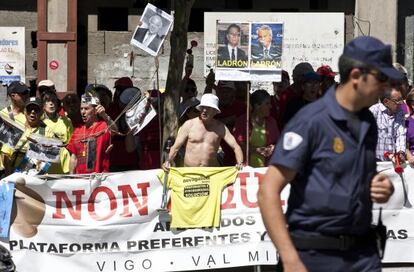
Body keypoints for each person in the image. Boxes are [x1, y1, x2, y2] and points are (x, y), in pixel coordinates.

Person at [258, 36, 401, 272]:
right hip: (314, 256)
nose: (387, 87)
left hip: (363, 255)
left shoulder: (368, 122)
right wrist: (290, 260)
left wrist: (378, 185)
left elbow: (354, 178)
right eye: (381, 78)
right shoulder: (310, 122)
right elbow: (267, 192)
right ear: (356, 76)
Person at [162, 93, 243, 169]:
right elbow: (175, 147)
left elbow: (236, 147)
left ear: (215, 111)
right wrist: (168, 161)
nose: (204, 110)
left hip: (211, 173)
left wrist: (240, 163)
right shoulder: (189, 125)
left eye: (208, 108)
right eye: (203, 107)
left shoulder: (220, 127)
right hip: (190, 174)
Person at [233, 89, 280, 167]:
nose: (270, 106)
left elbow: (278, 142)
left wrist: (273, 147)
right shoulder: (243, 121)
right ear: (257, 105)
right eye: (267, 104)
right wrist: (256, 150)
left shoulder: (272, 122)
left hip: (267, 169)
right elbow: (238, 145)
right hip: (248, 170)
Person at [66, 94, 111, 174]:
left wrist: (104, 115)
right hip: (80, 180)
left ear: (95, 110)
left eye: (86, 109)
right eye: (81, 109)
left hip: (99, 179)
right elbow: (73, 158)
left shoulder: (103, 126)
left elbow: (115, 130)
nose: (83, 112)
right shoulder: (77, 130)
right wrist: (71, 178)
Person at [369, 85, 406, 161]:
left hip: (392, 160)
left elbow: (401, 134)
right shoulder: (374, 110)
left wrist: (401, 151)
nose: (401, 103)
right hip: (375, 160)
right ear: (386, 101)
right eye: (397, 100)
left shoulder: (400, 113)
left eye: (401, 99)